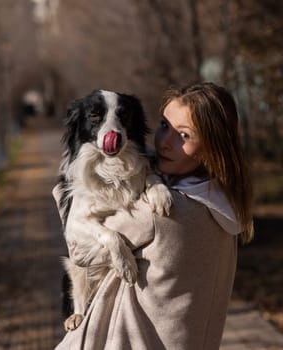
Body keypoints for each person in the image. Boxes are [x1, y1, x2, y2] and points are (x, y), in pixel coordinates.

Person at [54, 82, 253, 349]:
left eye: (183, 136)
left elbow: (79, 250)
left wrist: (63, 191)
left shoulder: (159, 213)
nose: (164, 143)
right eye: (163, 126)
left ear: (211, 148)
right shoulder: (227, 208)